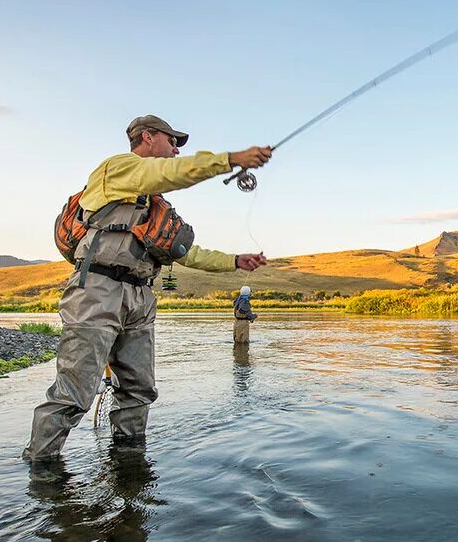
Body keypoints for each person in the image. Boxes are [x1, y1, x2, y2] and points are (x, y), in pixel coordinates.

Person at [23, 115, 272, 461]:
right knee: (74, 393)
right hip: (97, 292)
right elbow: (171, 173)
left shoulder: (150, 203)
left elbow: (186, 252)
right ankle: (41, 472)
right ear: (147, 137)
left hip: (140, 298)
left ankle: (129, 467)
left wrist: (234, 261)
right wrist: (231, 159)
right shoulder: (117, 168)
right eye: (171, 142)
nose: (174, 150)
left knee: (139, 391)